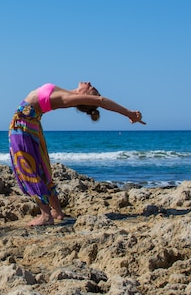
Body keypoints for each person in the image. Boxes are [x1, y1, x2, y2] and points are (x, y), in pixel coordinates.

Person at [8, 82, 145, 226]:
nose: (90, 84)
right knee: (41, 168)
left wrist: (129, 113)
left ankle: (46, 215)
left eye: (92, 89)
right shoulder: (68, 94)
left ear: (85, 96)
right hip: (30, 124)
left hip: (23, 125)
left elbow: (101, 101)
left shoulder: (67, 98)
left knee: (29, 169)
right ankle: (57, 211)